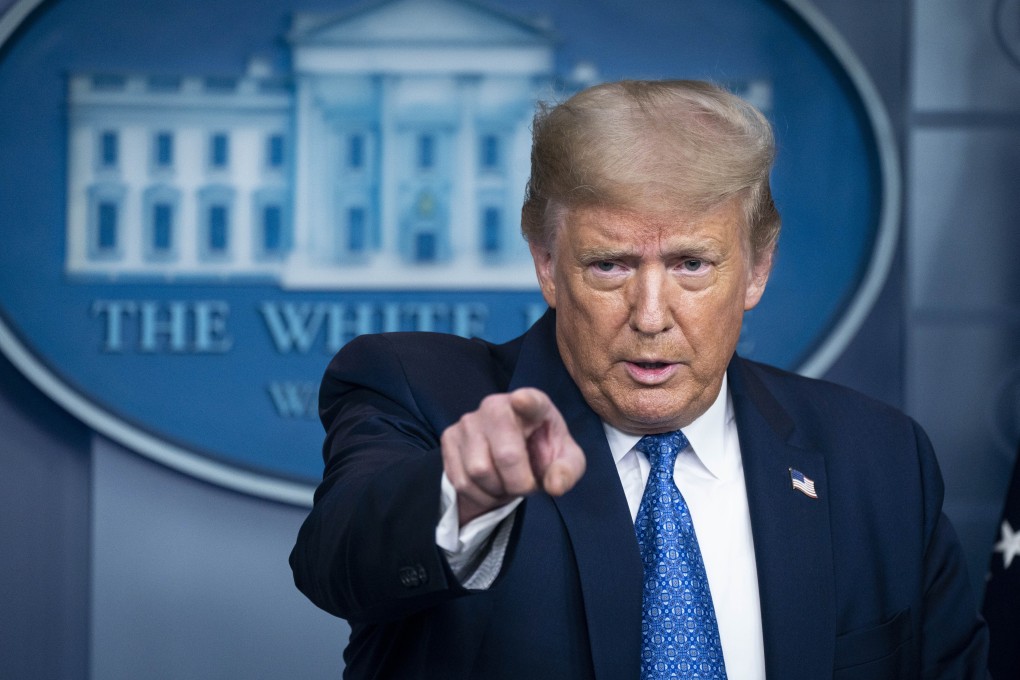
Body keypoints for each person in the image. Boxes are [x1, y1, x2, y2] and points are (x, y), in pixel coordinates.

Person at [290, 80, 989, 679]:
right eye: (610, 266)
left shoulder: (881, 458)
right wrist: (463, 496)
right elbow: (338, 560)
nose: (650, 316)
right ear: (545, 262)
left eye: (691, 264)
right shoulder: (418, 392)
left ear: (756, 269)